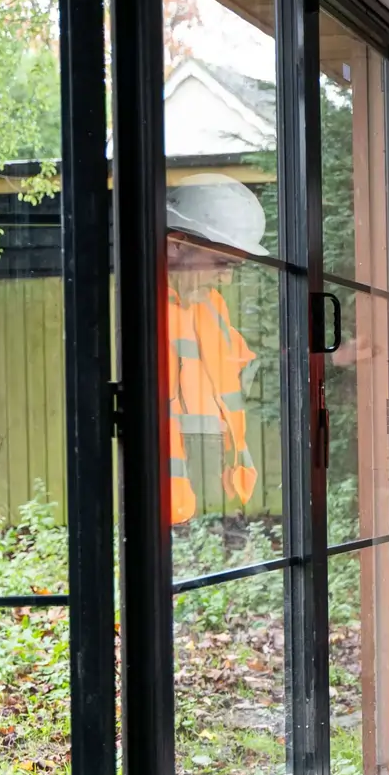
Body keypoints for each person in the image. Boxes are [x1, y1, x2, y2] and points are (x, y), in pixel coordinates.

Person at [164, 173, 265, 525]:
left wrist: (331, 359)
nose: (226, 279)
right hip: (159, 512)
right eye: (223, 263)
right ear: (176, 243)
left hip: (215, 499)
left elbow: (246, 369)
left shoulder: (210, 307)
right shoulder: (135, 309)